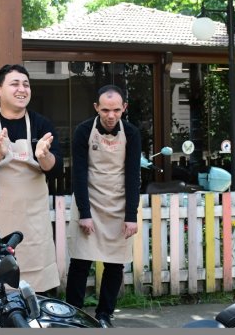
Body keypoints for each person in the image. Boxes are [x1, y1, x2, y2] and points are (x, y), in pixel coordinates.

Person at [0, 64, 62, 293]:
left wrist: (44, 156)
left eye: (26, 84)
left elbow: (56, 170)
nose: (22, 89)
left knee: (36, 285)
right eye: (15, 84)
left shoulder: (41, 124)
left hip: (31, 220)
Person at [65, 84, 141, 328]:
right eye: (106, 109)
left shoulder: (131, 133)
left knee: (115, 262)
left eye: (116, 110)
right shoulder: (83, 131)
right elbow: (78, 174)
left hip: (118, 203)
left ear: (124, 109)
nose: (111, 116)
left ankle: (105, 314)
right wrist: (84, 214)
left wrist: (131, 215)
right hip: (89, 200)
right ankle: (73, 313)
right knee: (80, 261)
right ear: (96, 107)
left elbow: (133, 175)